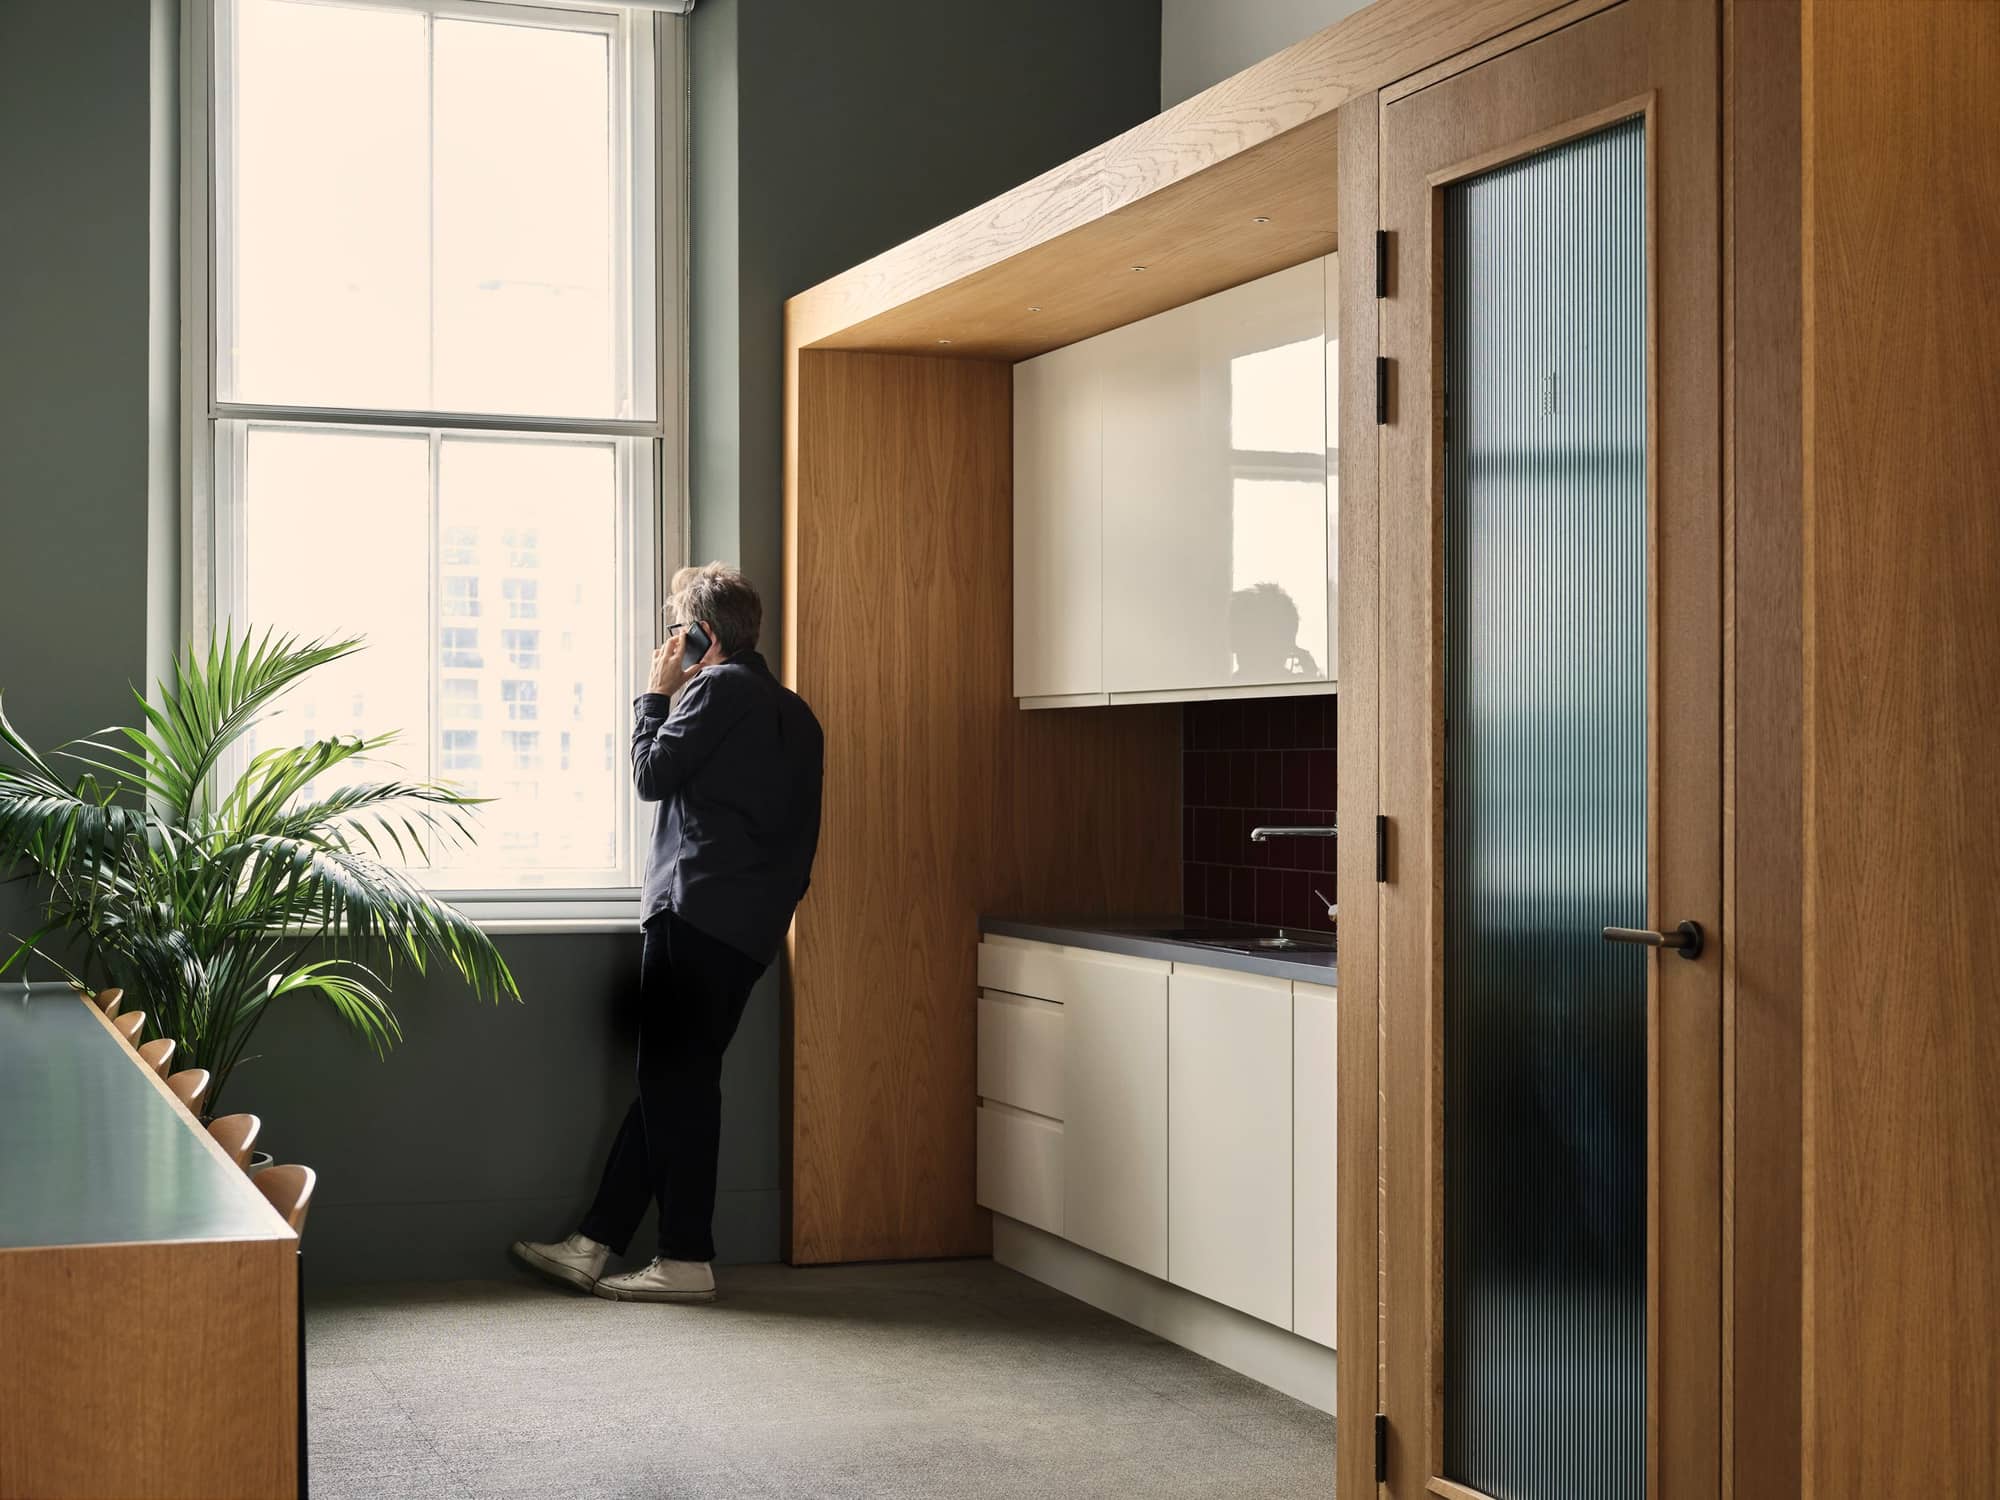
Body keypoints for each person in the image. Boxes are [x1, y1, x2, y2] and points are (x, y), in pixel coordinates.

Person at [512, 563, 823, 1302]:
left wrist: (656, 693)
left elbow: (651, 774)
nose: (668, 644)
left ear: (703, 638)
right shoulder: (795, 711)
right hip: (749, 931)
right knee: (675, 1084)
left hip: (693, 912)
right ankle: (595, 1243)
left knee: (675, 1084)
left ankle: (686, 1257)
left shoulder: (714, 689)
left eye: (676, 632)